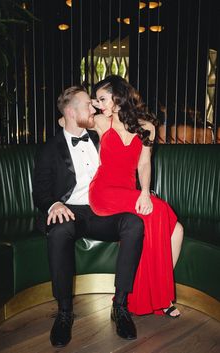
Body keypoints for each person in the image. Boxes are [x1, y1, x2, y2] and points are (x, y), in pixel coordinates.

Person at [32, 86, 145, 347]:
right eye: (87, 105)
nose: (93, 109)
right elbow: (40, 191)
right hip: (72, 211)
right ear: (71, 112)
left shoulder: (100, 135)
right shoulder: (50, 148)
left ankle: (120, 306)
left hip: (103, 209)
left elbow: (133, 128)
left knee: (133, 224)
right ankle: (64, 313)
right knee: (58, 229)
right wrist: (54, 205)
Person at [89, 75, 183, 317]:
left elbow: (144, 165)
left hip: (130, 193)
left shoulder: (147, 127)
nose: (100, 104)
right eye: (97, 100)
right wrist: (91, 105)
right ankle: (162, 299)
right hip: (103, 192)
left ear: (118, 96)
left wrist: (144, 193)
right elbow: (63, 120)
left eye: (103, 98)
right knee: (160, 211)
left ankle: (153, 294)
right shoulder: (101, 121)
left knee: (175, 228)